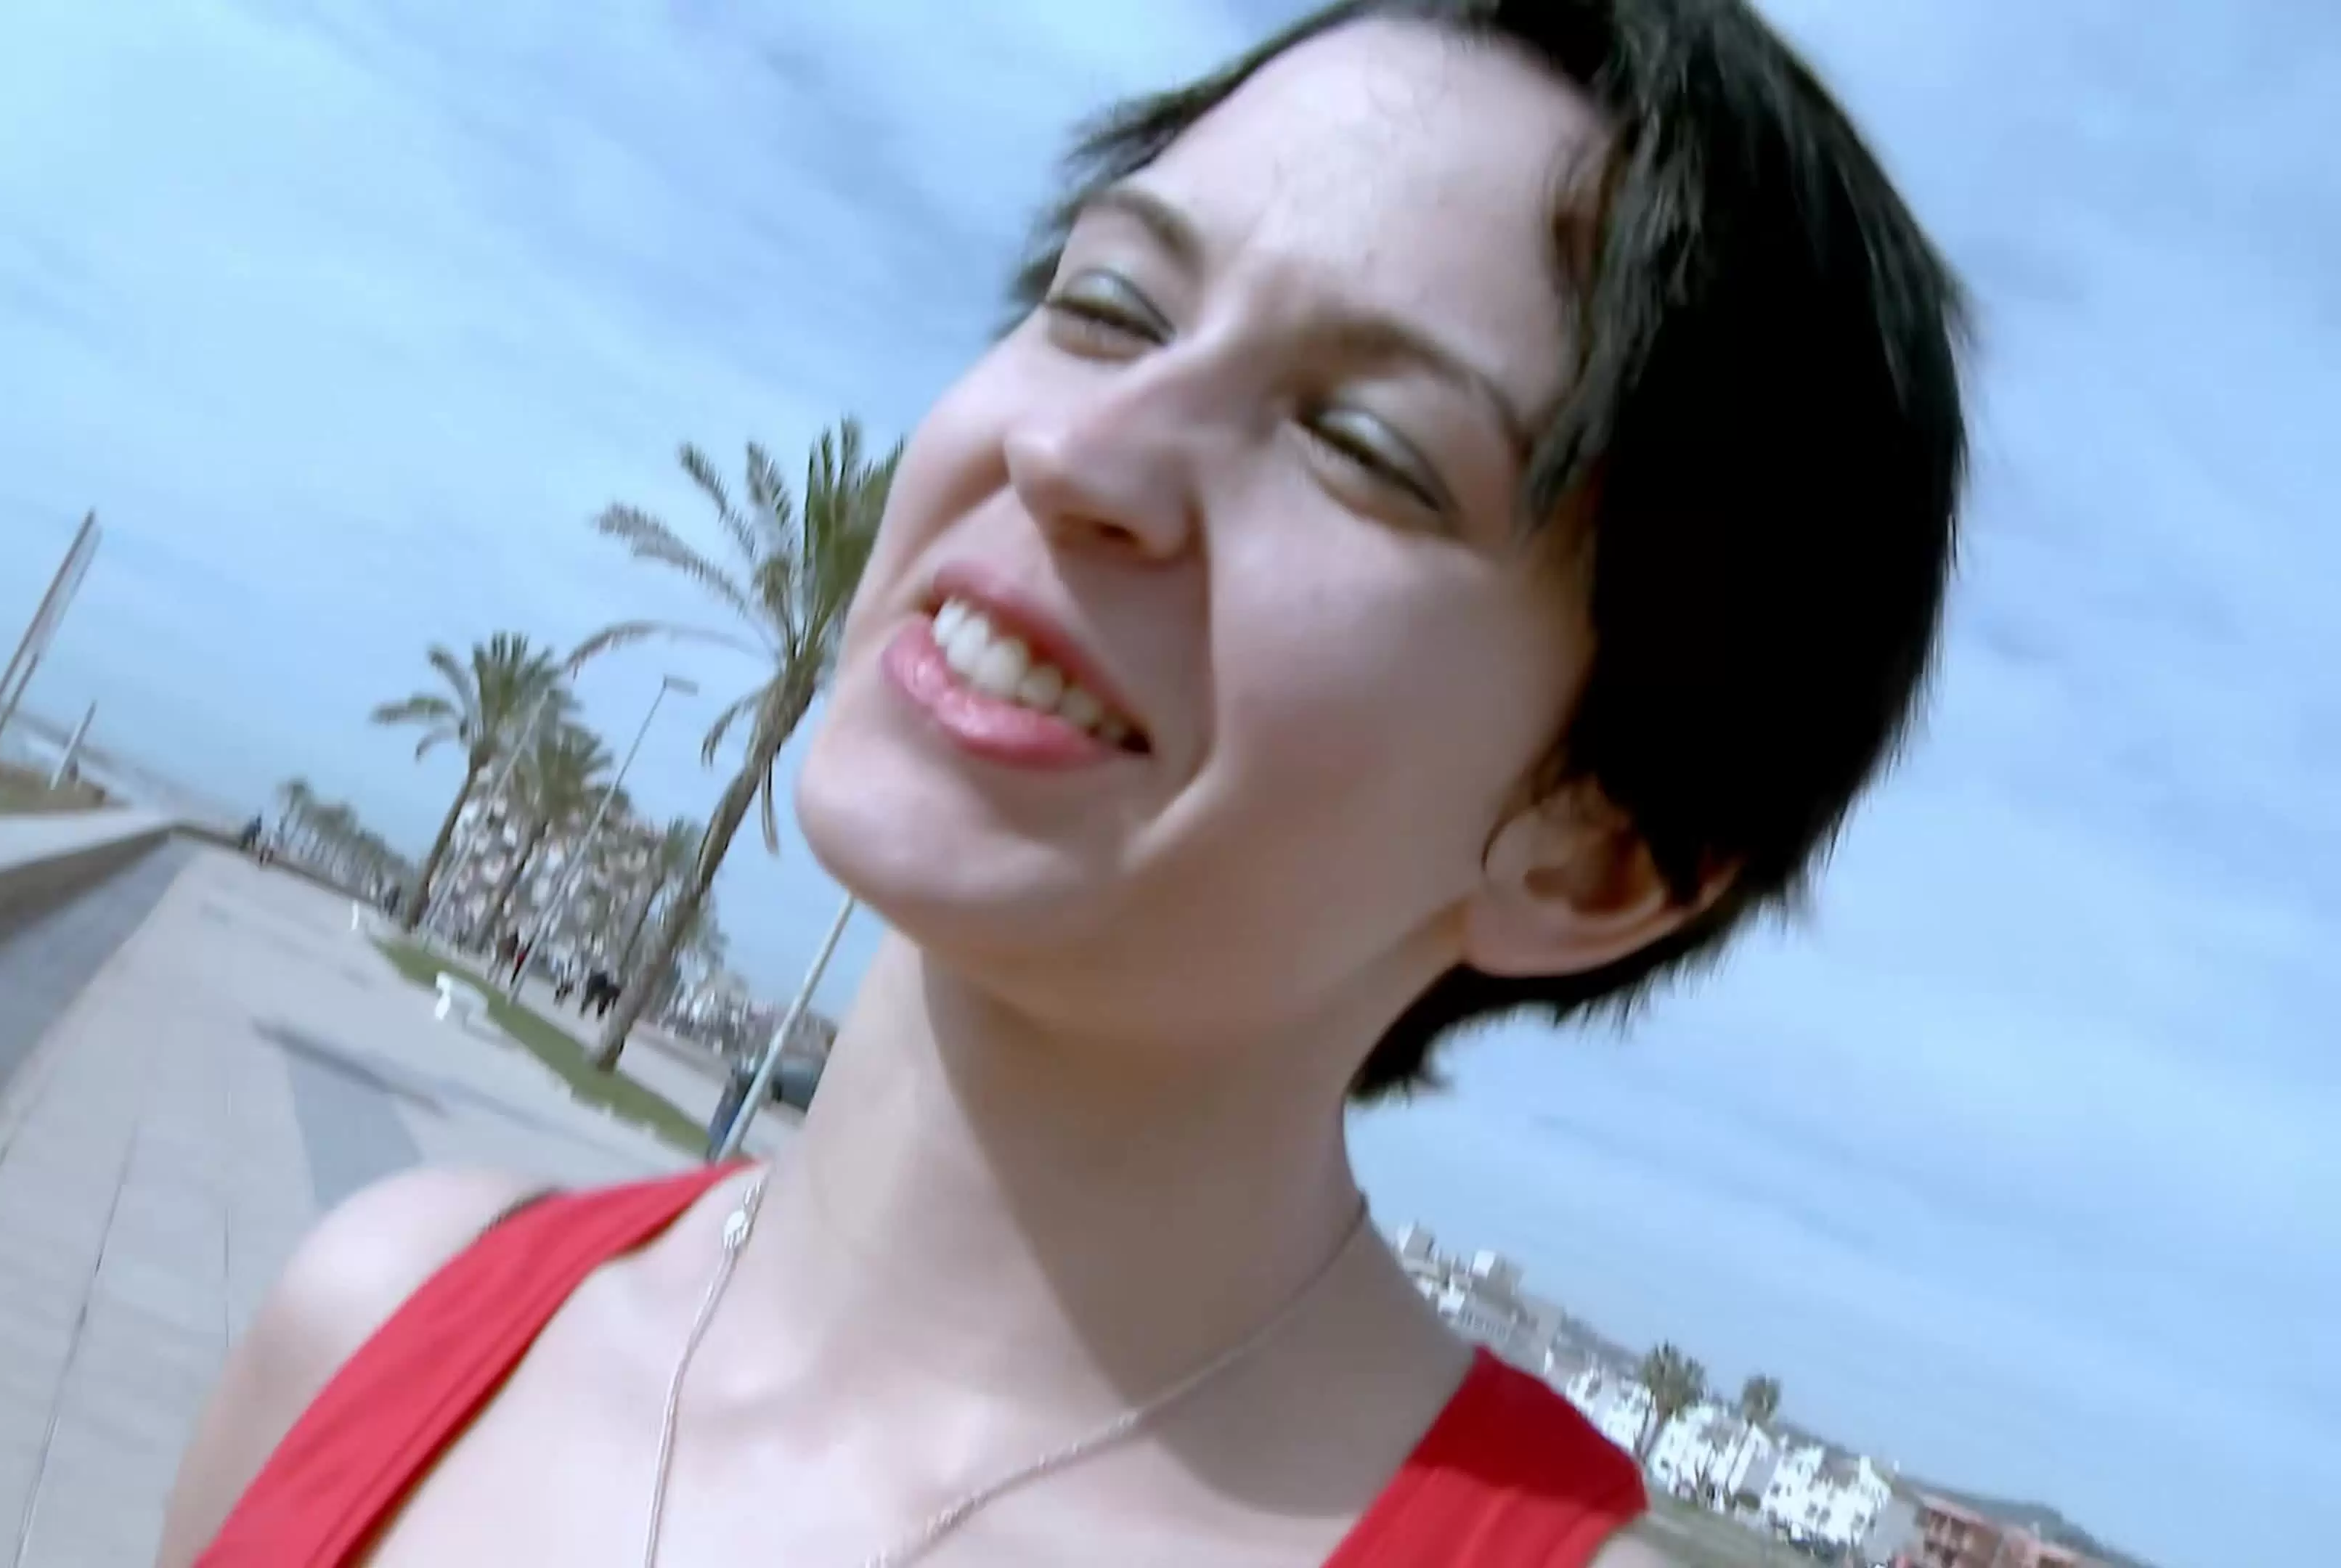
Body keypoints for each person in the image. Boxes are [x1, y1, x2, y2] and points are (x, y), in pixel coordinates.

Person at [159, 1, 1966, 1563]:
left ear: (1593, 856)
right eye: (1109, 306)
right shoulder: (381, 1324)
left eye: (1363, 444)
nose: (1080, 450)